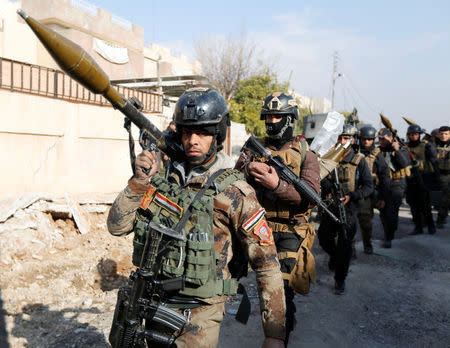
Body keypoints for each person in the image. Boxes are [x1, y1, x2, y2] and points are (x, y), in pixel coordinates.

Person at [107, 88, 286, 348]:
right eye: (187, 132)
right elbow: (117, 226)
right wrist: (139, 182)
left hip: (200, 313)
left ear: (218, 134)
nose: (193, 140)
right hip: (155, 303)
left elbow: (267, 264)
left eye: (202, 133)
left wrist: (274, 334)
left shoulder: (235, 192)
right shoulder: (163, 178)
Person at [235, 92, 320, 346]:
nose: (271, 121)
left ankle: (279, 339)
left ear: (289, 119)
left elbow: (311, 196)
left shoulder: (306, 153)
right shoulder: (253, 147)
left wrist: (276, 184)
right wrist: (246, 169)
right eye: (268, 116)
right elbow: (232, 181)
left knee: (282, 296)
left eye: (278, 116)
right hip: (255, 226)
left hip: (289, 233)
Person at [318, 124, 373, 295]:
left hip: (348, 210)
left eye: (346, 138)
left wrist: (351, 196)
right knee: (324, 239)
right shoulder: (327, 158)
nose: (342, 141)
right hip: (329, 207)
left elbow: (369, 186)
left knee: (345, 246)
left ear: (352, 140)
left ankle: (340, 279)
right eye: (339, 137)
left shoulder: (359, 160)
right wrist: (328, 188)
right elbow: (318, 179)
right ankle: (334, 257)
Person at [356, 126, 390, 254]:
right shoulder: (353, 152)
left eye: (369, 139)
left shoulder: (377, 155)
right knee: (349, 223)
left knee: (365, 222)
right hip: (352, 192)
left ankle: (367, 243)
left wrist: (383, 197)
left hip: (367, 193)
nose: (366, 142)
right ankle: (350, 247)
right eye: (364, 139)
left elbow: (384, 176)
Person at [377, 128, 411, 247]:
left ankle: (389, 236)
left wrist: (396, 149)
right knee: (383, 211)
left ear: (391, 138)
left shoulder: (400, 149)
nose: (381, 141)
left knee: (392, 211)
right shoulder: (379, 151)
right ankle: (389, 230)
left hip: (396, 183)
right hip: (383, 183)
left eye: (384, 139)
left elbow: (404, 163)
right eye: (380, 139)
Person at [405, 124, 440, 235]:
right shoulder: (405, 147)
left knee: (425, 205)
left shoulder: (426, 146)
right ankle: (418, 227)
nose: (413, 136)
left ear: (419, 135)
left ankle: (431, 226)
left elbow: (434, 163)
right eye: (411, 134)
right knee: (413, 206)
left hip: (423, 178)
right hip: (410, 179)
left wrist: (420, 164)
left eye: (416, 134)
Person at [436, 125, 450, 228]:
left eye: (446, 134)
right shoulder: (434, 144)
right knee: (443, 198)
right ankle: (441, 218)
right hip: (441, 174)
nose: (443, 136)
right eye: (441, 134)